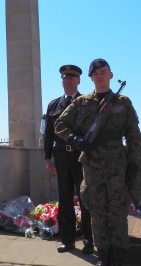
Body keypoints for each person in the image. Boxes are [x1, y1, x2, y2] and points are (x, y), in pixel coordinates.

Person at [55, 58, 141, 266]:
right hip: (92, 165)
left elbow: (134, 135)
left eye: (103, 71)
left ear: (111, 75)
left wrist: (133, 163)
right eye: (95, 73)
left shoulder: (123, 102)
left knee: (118, 211)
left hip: (117, 165)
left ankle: (119, 258)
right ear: (91, 78)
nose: (99, 75)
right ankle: (103, 256)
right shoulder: (82, 102)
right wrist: (76, 140)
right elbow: (60, 124)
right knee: (97, 212)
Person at [44, 64, 94, 255]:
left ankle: (89, 242)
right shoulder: (53, 105)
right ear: (62, 81)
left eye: (72, 78)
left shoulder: (86, 102)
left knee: (85, 199)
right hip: (61, 159)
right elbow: (48, 134)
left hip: (80, 158)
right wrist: (47, 157)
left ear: (79, 80)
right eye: (65, 77)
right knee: (64, 200)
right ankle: (68, 241)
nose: (68, 80)